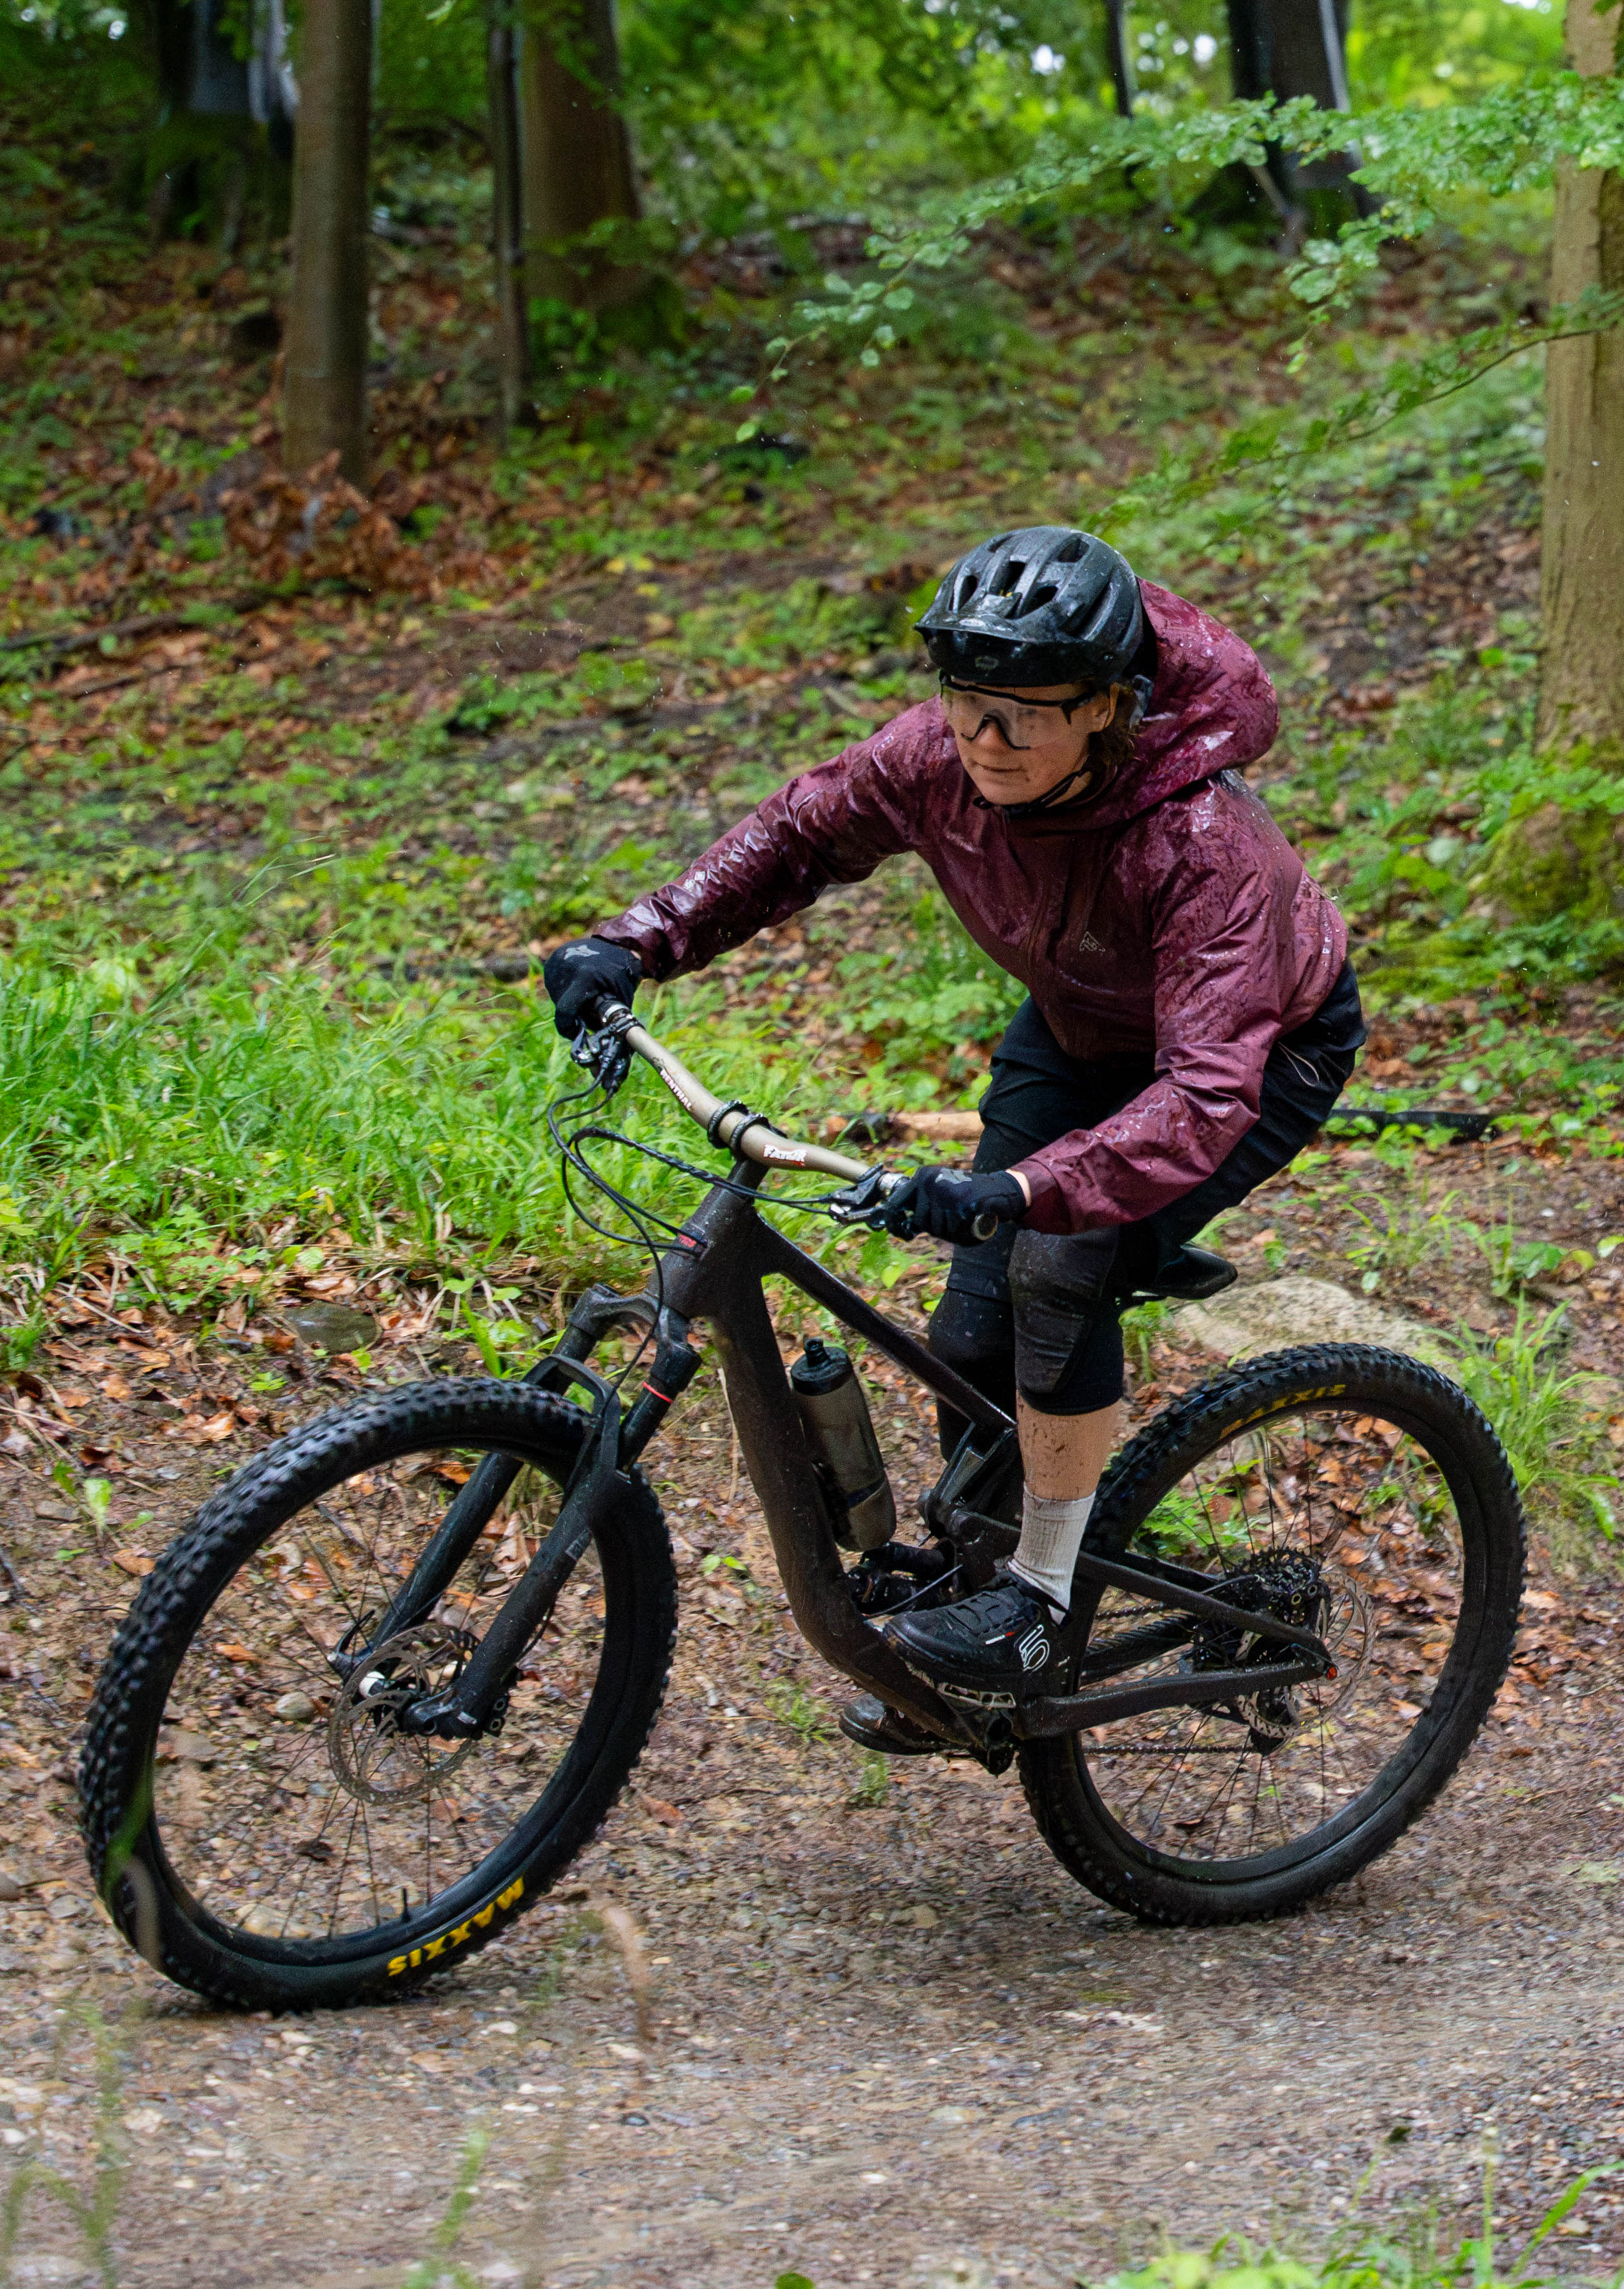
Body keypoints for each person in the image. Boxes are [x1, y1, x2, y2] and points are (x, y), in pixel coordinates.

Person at [537, 526, 1358, 1722]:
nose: (985, 739)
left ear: (1107, 710)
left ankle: (1037, 1602)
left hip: (1252, 1054)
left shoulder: (1200, 843)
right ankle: (976, 1585)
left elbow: (1198, 1095)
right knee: (970, 1325)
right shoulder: (936, 758)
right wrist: (633, 939)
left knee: (1058, 1257)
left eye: (1025, 713)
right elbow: (799, 833)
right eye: (967, 703)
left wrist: (1022, 1192)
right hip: (1079, 1027)